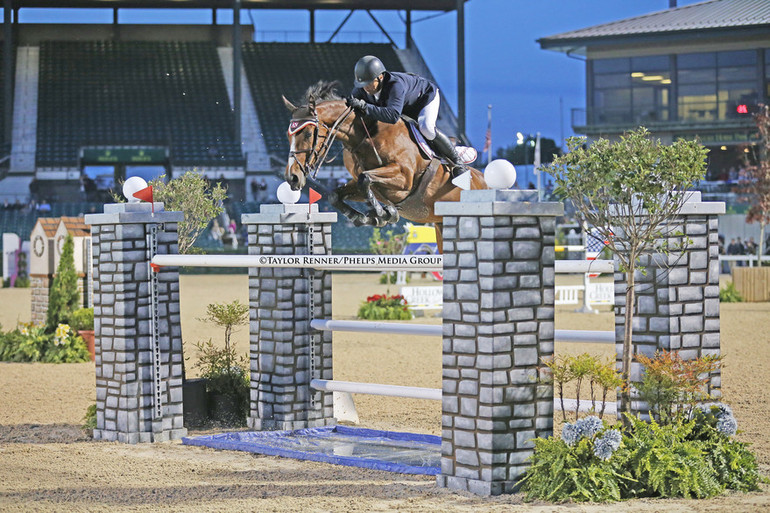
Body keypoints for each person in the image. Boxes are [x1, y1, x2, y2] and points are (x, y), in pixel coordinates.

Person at [346, 55, 467, 179]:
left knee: (426, 128)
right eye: (363, 84)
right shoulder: (361, 90)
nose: (366, 87)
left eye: (369, 82)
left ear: (380, 77)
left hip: (424, 99)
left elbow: (392, 116)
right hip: (404, 107)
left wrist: (365, 107)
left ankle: (458, 162)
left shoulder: (395, 85)